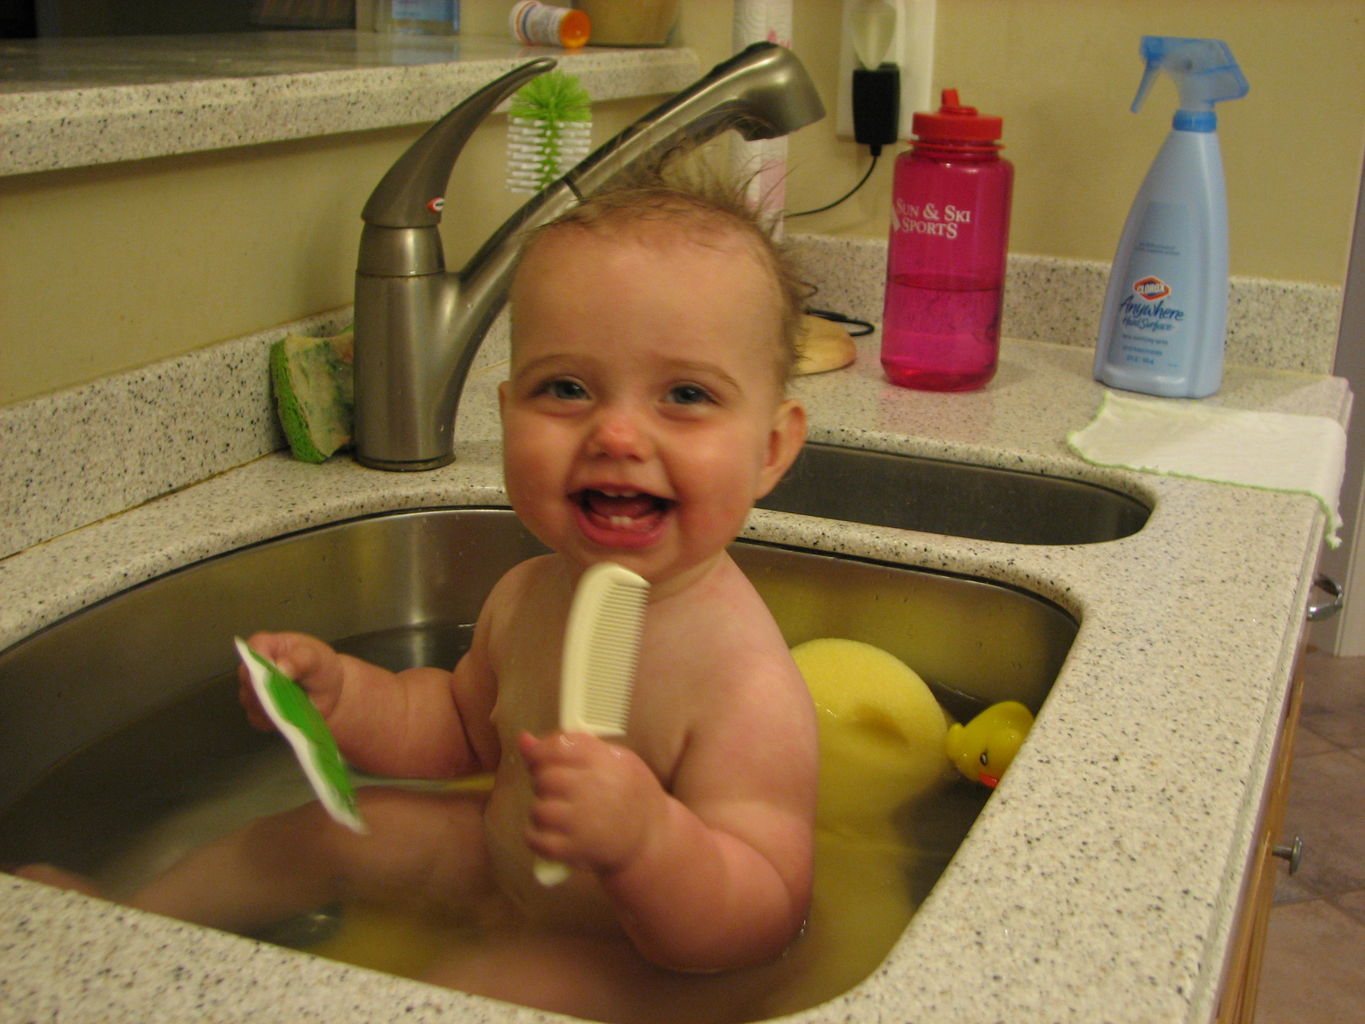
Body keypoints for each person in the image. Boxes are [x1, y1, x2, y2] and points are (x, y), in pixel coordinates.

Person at [19, 168, 819, 1022]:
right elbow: (458, 731)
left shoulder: (745, 685)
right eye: (566, 389)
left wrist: (647, 842)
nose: (616, 434)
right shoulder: (528, 592)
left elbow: (761, 921)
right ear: (508, 413)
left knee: (474, 998)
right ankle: (128, 932)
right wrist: (344, 698)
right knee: (337, 827)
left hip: (634, 957)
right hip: (505, 866)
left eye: (686, 395)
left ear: (770, 448)